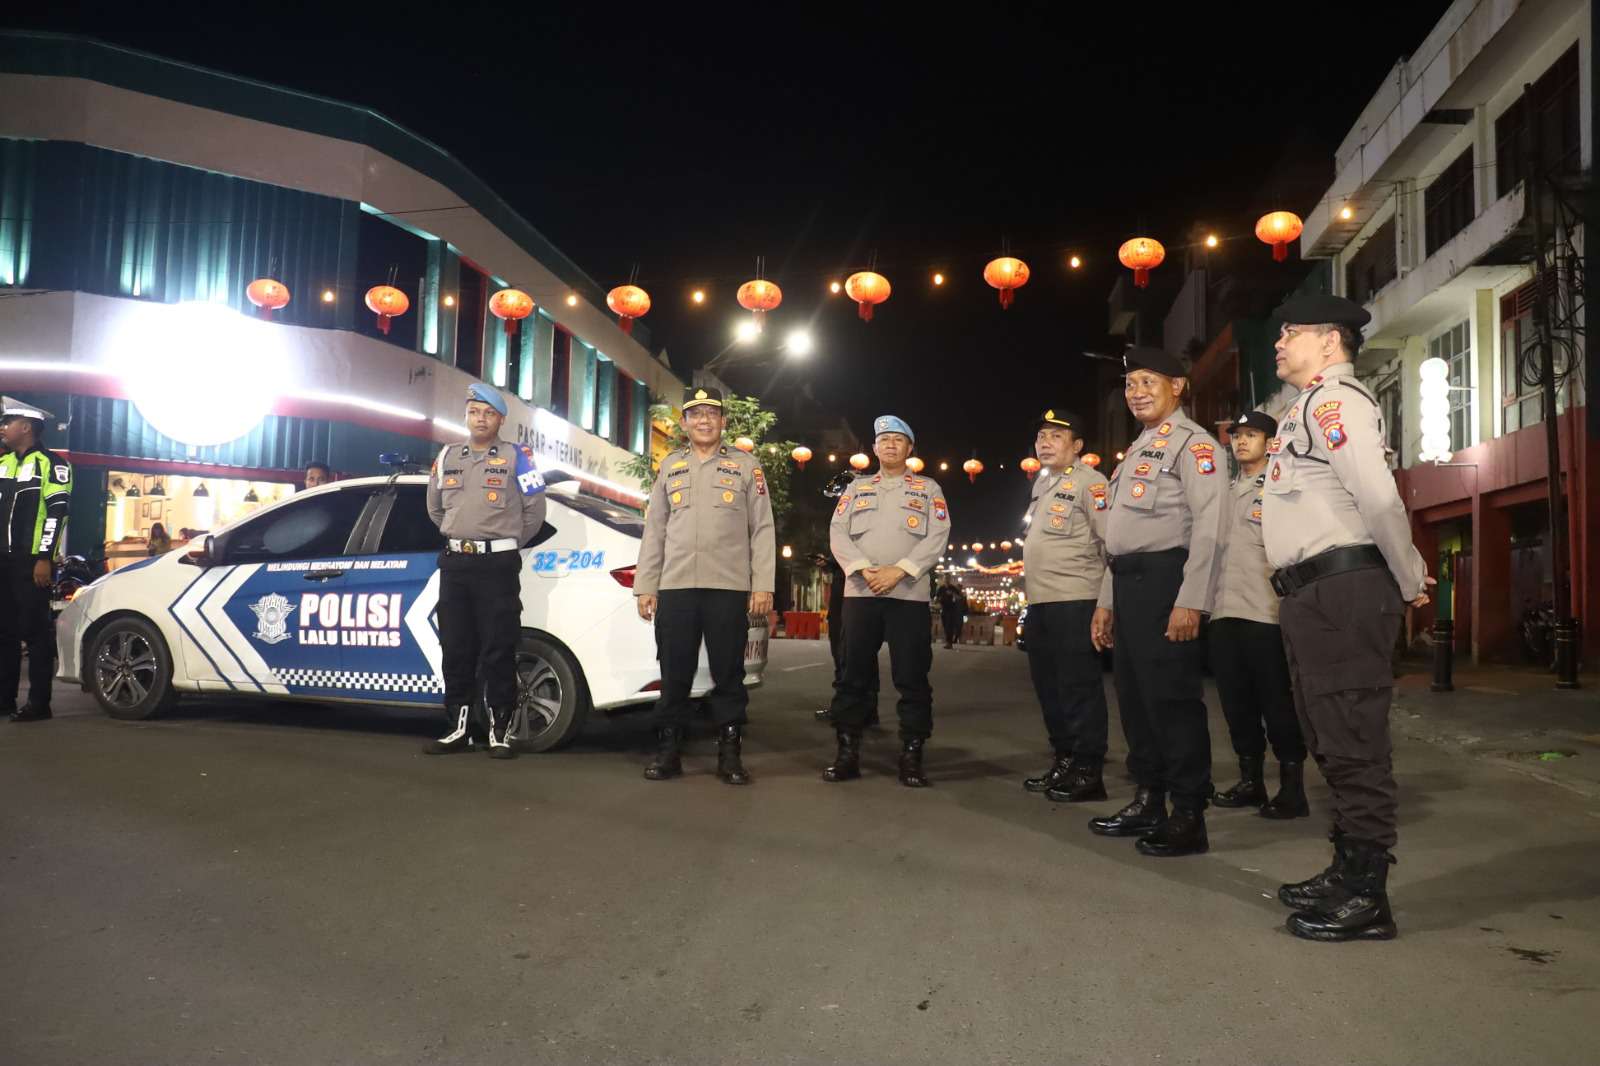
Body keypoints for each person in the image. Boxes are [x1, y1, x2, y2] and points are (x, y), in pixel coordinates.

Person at [1262, 293, 1432, 943]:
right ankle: (1345, 867)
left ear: (1330, 342)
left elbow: (1377, 497)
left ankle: (1368, 894)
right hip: (1312, 594)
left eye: (1291, 333)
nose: (1278, 343)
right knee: (1327, 733)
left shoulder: (1337, 402)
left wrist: (1410, 574)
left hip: (1343, 589)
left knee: (1354, 737)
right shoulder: (1305, 407)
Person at [1089, 347, 1225, 857]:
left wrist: (1192, 599)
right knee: (1136, 698)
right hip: (1129, 584)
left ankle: (1189, 814)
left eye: (1149, 381)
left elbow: (1211, 527)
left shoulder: (1195, 446)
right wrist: (1107, 601)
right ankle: (1149, 798)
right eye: (1130, 385)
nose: (1137, 392)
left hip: (1169, 581)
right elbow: (1119, 539)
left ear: (1179, 387)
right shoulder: (1140, 449)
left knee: (1172, 701)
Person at [635, 386, 776, 784]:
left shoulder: (747, 467)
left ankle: (729, 753)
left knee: (728, 674)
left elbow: (763, 529)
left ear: (723, 422)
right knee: (674, 670)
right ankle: (668, 751)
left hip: (728, 587)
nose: (703, 421)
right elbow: (655, 529)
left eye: (711, 414)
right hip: (676, 586)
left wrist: (762, 584)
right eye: (695, 414)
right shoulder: (670, 466)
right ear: (684, 423)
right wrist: (646, 585)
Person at [822, 416, 950, 787]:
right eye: (884, 440)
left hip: (908, 595)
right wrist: (863, 569)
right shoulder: (856, 488)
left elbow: (938, 535)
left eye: (899, 440)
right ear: (874, 449)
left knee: (912, 677)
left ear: (911, 449)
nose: (891, 445)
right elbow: (837, 532)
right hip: (861, 593)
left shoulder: (928, 489)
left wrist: (900, 570)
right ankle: (847, 752)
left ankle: (912, 755)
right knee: (852, 675)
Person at [424, 383, 547, 759]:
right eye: (474, 411)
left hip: (497, 566)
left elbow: (534, 512)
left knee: (498, 648)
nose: (480, 419)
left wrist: (504, 543)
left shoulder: (519, 457)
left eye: (488, 413)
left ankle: (499, 731)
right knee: (456, 648)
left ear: (500, 420)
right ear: (466, 415)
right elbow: (435, 509)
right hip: (456, 563)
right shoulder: (447, 455)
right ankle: (458, 728)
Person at [1208, 410, 1309, 819]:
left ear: (1270, 442)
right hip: (1223, 610)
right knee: (1236, 704)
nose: (1241, 441)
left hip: (1266, 613)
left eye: (1251, 435)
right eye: (1237, 435)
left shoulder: (1284, 487)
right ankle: (1251, 781)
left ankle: (1292, 788)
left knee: (1276, 703)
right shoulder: (1226, 491)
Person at [1018, 408, 1111, 803]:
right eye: (1041, 436)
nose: (1045, 443)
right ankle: (1064, 758)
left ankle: (1089, 769)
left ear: (1077, 446)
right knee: (1049, 686)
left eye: (1056, 437)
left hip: (1076, 598)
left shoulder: (1093, 484)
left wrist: (1106, 604)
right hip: (1042, 602)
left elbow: (1111, 545)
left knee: (1079, 686)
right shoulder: (1042, 486)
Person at [0, 402, 73, 722]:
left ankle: (39, 703)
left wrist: (44, 558)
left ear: (27, 427)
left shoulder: (53, 465)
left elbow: (57, 514)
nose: (2, 427)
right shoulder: (2, 462)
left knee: (35, 632)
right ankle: (4, 698)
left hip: (31, 562)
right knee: (4, 632)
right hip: (2, 560)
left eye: (8, 422)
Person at [936, 579, 965, 649]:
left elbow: (959, 597)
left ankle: (949, 643)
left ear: (950, 580)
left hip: (952, 610)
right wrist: (938, 600)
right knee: (945, 625)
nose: (946, 580)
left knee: (949, 626)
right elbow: (937, 597)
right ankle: (948, 642)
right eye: (945, 579)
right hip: (943, 609)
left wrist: (952, 594)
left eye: (948, 578)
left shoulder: (953, 588)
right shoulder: (941, 588)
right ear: (944, 580)